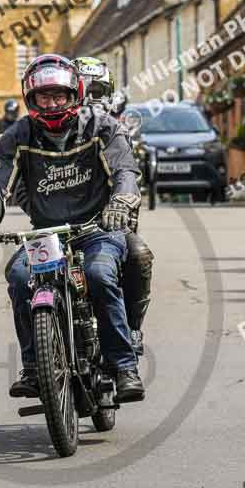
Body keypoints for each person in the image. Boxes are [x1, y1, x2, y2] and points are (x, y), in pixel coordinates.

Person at [0, 54, 144, 403]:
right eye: (43, 97)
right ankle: (34, 368)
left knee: (99, 275)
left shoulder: (102, 126)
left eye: (58, 96)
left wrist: (120, 204)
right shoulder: (17, 135)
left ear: (74, 94)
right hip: (45, 235)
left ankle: (124, 366)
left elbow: (125, 172)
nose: (51, 104)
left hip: (97, 229)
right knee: (19, 277)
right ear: (30, 98)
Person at [73, 57, 154, 358]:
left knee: (139, 255)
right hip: (62, 224)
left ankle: (133, 327)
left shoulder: (116, 127)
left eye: (97, 91)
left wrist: (122, 204)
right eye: (84, 89)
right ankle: (41, 355)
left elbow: (128, 173)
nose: (90, 98)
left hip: (112, 224)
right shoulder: (57, 130)